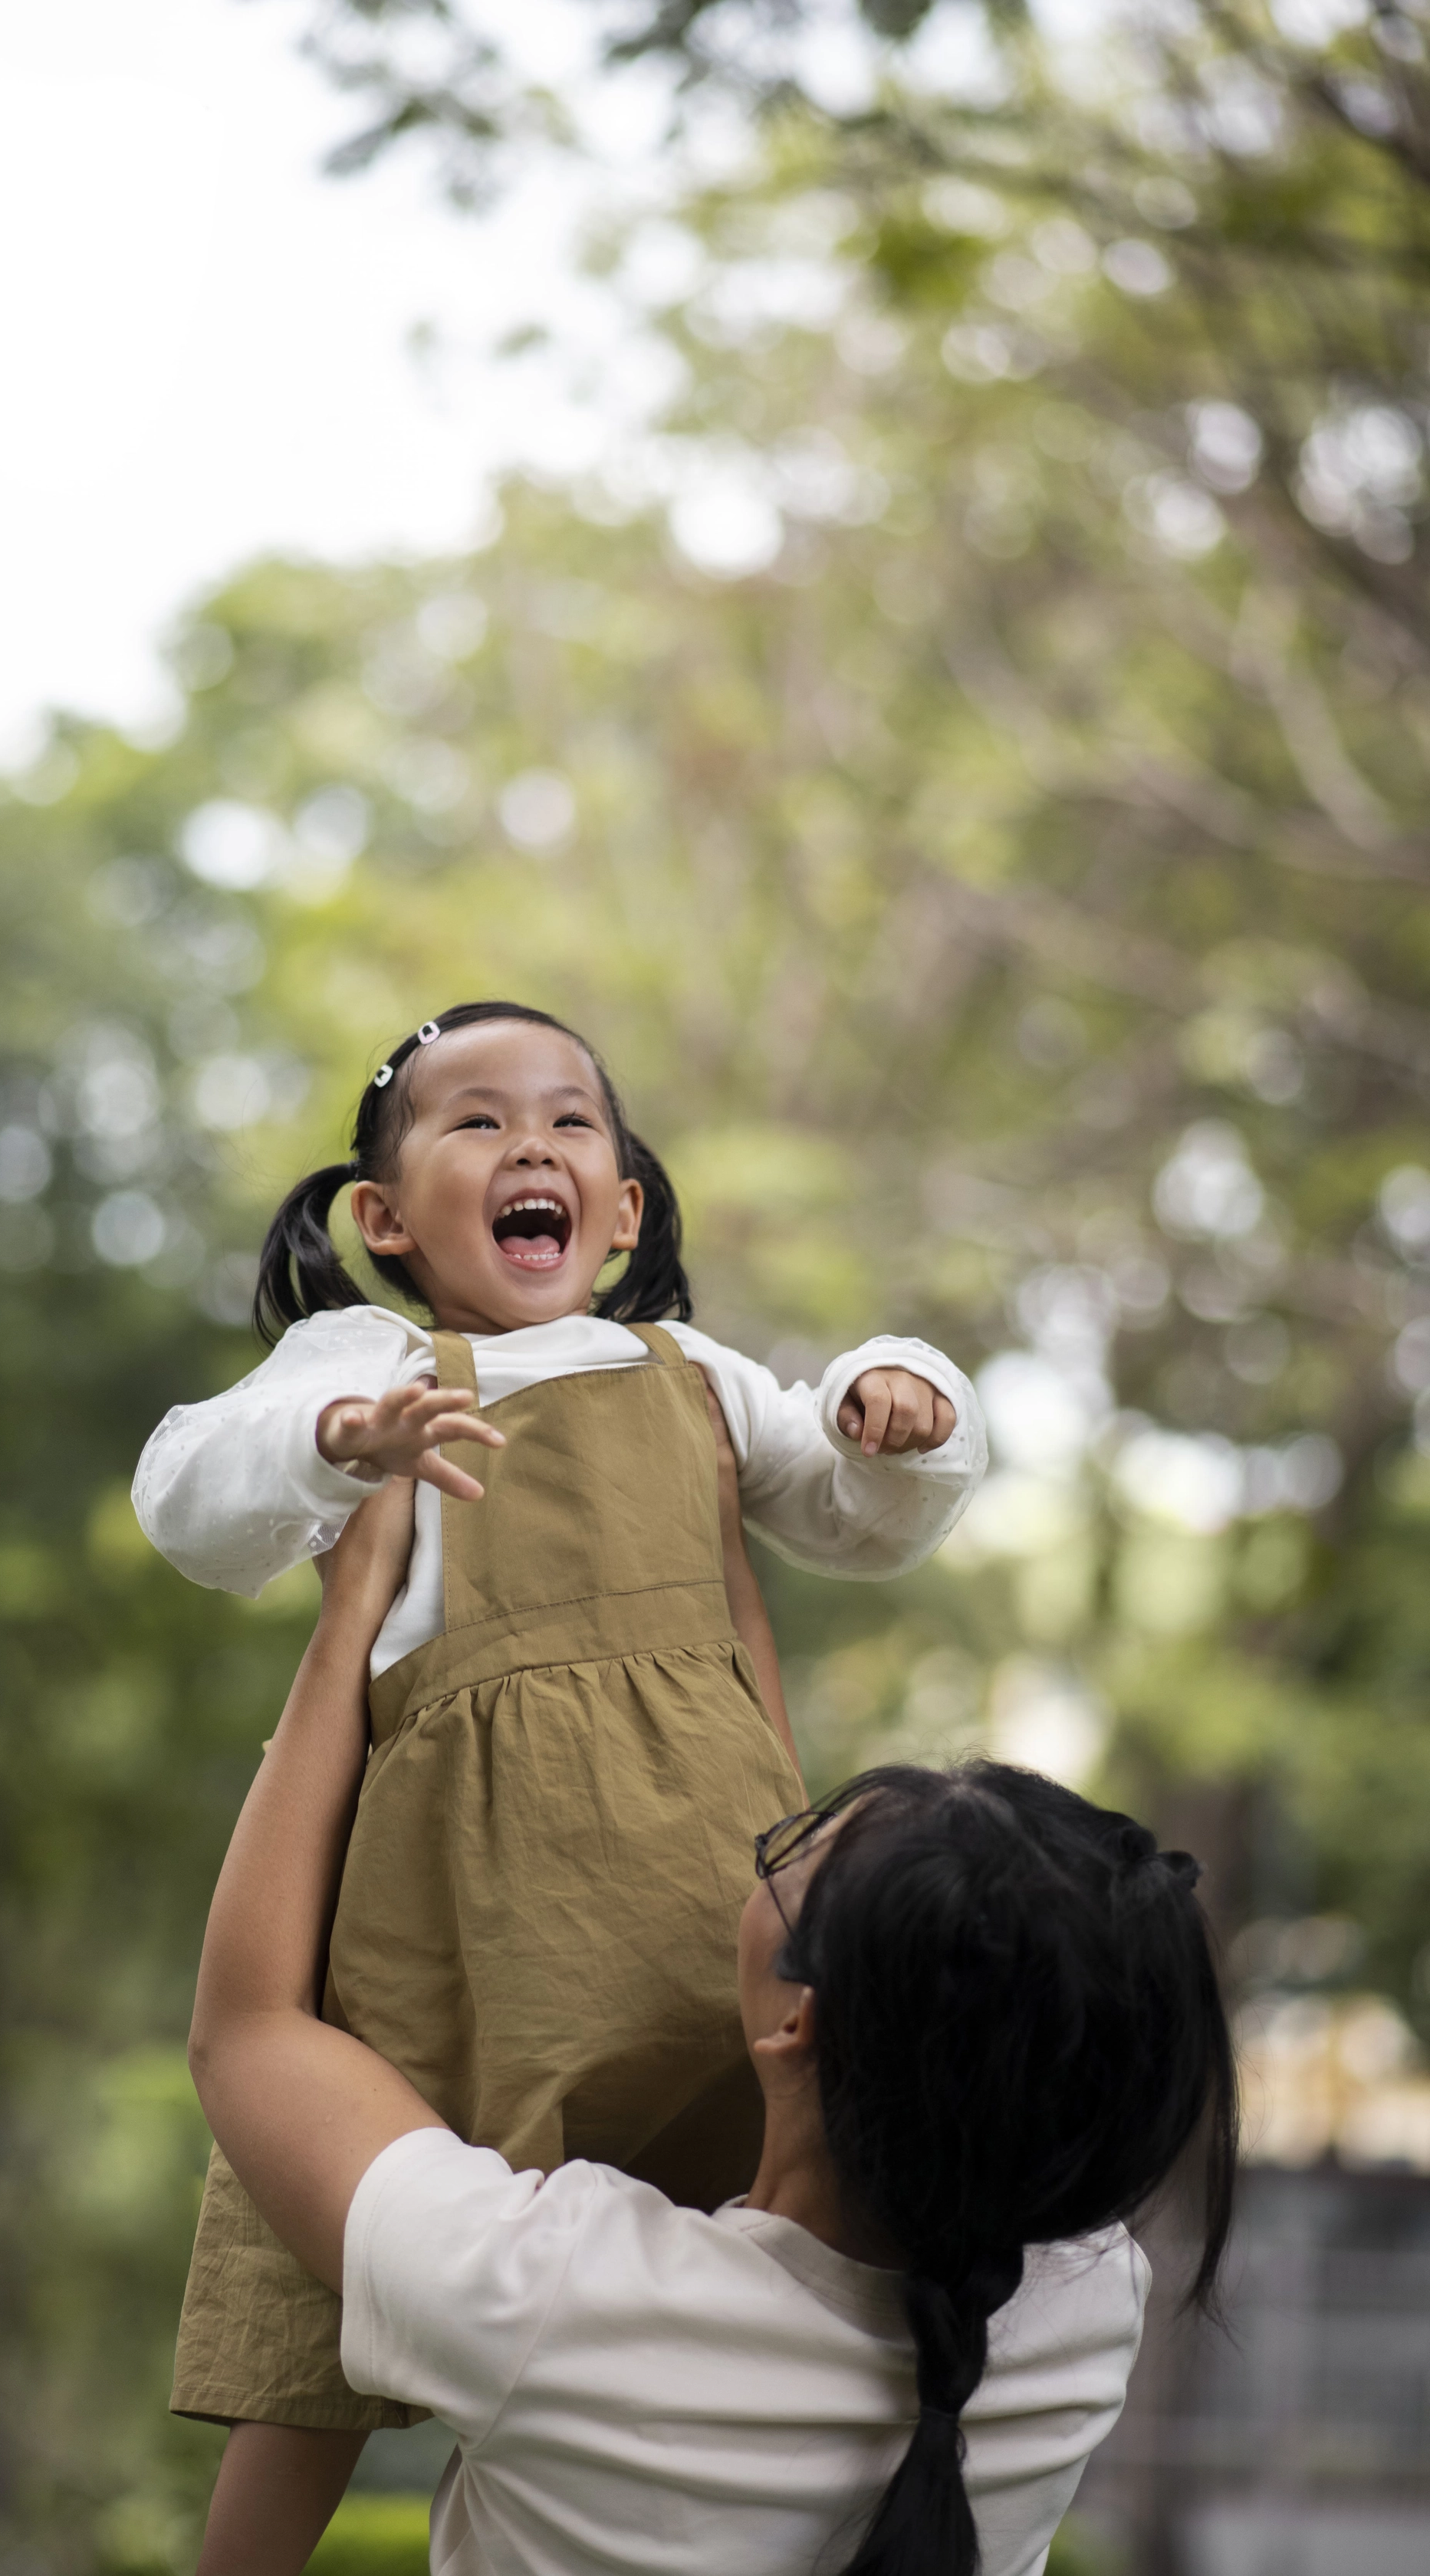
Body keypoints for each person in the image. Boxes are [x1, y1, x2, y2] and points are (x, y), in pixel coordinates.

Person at [133, 1001, 988, 2542]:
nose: (528, 1140)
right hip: (458, 1930)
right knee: (320, 2341)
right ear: (383, 1219)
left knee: (750, 2277)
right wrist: (335, 1439)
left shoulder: (695, 1378)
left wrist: (896, 1404)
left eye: (567, 1121)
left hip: (697, 1926)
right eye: (474, 1121)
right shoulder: (380, 1359)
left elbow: (858, 1516)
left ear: (624, 1208)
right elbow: (188, 1496)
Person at [189, 1480, 1238, 2576]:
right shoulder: (1081, 2310)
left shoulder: (557, 2303)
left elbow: (250, 2031)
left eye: (788, 1855)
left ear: (800, 2020)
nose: (761, 1844)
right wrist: (718, 1571)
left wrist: (347, 1620)